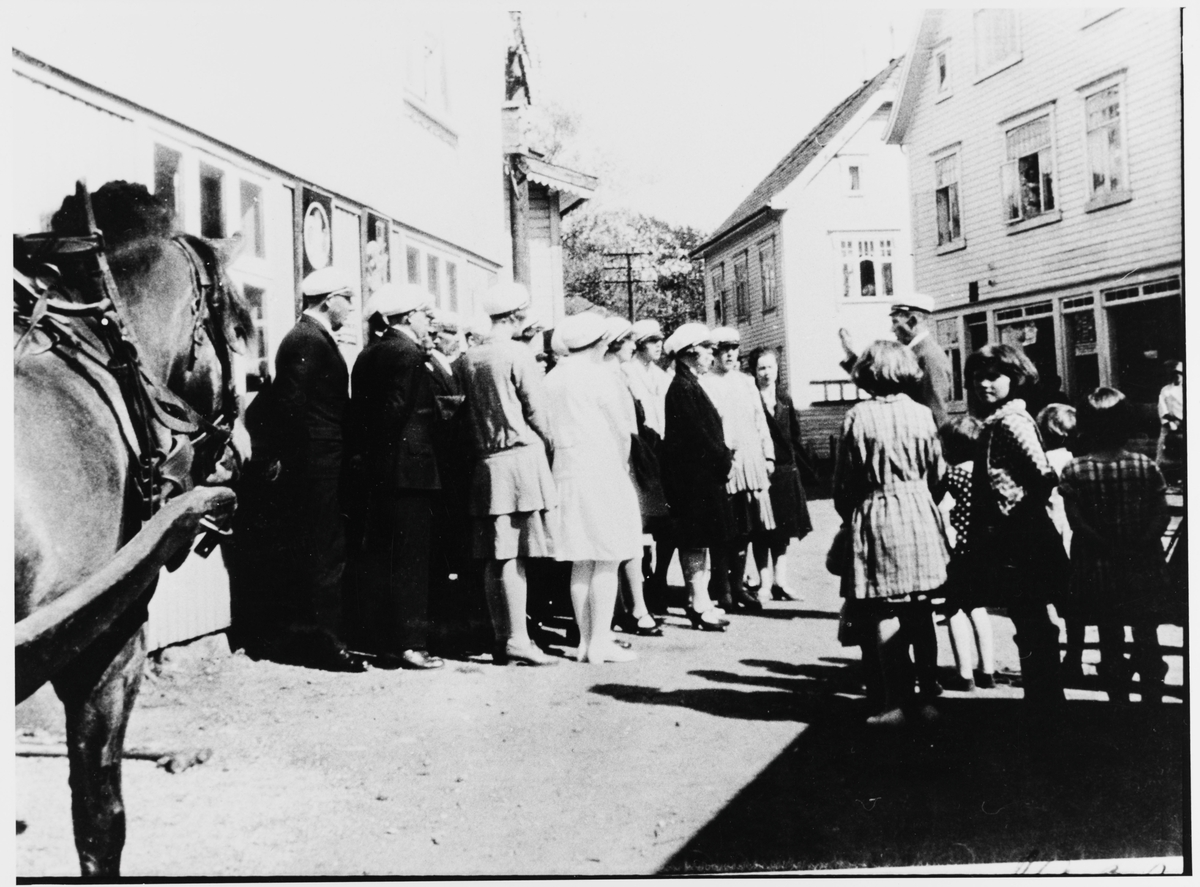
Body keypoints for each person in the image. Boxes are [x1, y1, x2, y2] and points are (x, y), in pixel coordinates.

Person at [833, 340, 951, 726]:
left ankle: (895, 701)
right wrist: (919, 495)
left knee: (884, 611)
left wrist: (852, 511)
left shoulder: (858, 416)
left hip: (877, 513)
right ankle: (929, 694)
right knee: (920, 609)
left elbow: (844, 481)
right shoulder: (922, 414)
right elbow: (938, 474)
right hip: (919, 513)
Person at [265, 266, 364, 671]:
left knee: (322, 551)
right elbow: (290, 406)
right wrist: (295, 460)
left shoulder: (311, 336)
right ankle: (327, 645)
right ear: (328, 300)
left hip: (320, 463)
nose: (352, 307)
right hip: (315, 466)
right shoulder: (307, 338)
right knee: (324, 553)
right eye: (348, 298)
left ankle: (318, 640)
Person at [344, 283, 446, 670]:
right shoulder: (408, 353)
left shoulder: (368, 354)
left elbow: (366, 414)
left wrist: (370, 457)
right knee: (412, 561)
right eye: (423, 313)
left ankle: (386, 642)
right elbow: (395, 410)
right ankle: (410, 644)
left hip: (380, 473)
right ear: (406, 317)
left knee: (383, 558)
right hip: (409, 471)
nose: (427, 320)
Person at [459, 282, 558, 666]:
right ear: (516, 316)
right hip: (520, 459)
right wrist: (549, 444)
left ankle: (503, 636)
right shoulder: (517, 353)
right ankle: (519, 638)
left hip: (487, 463)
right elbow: (538, 412)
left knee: (494, 556)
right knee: (517, 556)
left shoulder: (470, 357)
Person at [964, 343, 1067, 707]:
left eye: (994, 377)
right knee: (1025, 616)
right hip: (1007, 533)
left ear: (1016, 378)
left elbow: (1042, 474)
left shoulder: (1013, 421)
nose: (984, 385)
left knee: (1033, 617)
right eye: (978, 378)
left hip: (1022, 534)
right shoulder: (996, 420)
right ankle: (1039, 694)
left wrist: (1019, 516)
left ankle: (1046, 697)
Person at [544, 314, 645, 663]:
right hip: (601, 469)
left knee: (581, 558)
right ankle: (601, 642)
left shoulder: (553, 378)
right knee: (609, 555)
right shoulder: (602, 375)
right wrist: (621, 465)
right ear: (599, 342)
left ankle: (585, 642)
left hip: (566, 471)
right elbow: (623, 430)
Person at [1059, 388, 1171, 702]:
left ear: (1083, 428)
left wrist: (1107, 547)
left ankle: (1118, 701)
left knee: (1110, 636)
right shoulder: (1145, 466)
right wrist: (1138, 545)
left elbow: (1076, 522)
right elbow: (1160, 515)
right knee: (1146, 632)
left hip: (1098, 567)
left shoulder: (1075, 469)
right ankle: (1153, 698)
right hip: (1141, 565)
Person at [660, 322, 732, 631]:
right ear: (691, 353)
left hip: (702, 481)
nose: (712, 355)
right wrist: (723, 457)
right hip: (693, 483)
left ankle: (701, 600)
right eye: (707, 349)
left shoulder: (691, 385)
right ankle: (697, 602)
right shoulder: (682, 389)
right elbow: (699, 438)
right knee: (694, 542)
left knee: (701, 543)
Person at [700, 327, 775, 613]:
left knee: (746, 529)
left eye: (734, 348)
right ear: (714, 353)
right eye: (723, 349)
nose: (729, 354)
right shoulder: (706, 383)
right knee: (723, 529)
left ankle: (740, 585)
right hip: (724, 465)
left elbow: (760, 421)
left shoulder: (746, 382)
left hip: (751, 460)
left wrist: (768, 456)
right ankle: (722, 587)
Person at [606, 317, 665, 638]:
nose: (633, 345)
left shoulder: (621, 375)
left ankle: (632, 606)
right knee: (622, 538)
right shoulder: (614, 375)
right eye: (629, 340)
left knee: (632, 537)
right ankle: (629, 608)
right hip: (619, 466)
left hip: (636, 462)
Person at [934, 415, 996, 692]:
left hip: (957, 551)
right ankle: (988, 670)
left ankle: (964, 673)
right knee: (979, 609)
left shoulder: (952, 475)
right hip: (982, 549)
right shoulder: (987, 474)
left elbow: (943, 507)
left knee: (955, 609)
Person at [747, 346, 812, 601]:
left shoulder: (784, 398)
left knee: (783, 531)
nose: (766, 373)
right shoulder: (750, 397)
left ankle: (780, 582)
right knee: (762, 530)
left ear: (777, 369)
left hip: (785, 471)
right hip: (761, 470)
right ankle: (764, 582)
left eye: (770, 367)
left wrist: (799, 468)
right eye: (761, 368)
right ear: (754, 370)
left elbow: (795, 436)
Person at [838, 293, 953, 429]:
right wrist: (850, 355)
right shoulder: (913, 352)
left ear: (912, 321)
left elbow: (936, 412)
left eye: (895, 322)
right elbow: (881, 385)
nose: (892, 329)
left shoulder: (929, 357)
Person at [1156, 360, 1184, 483]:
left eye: (1180, 373)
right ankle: (1165, 478)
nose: (1178, 375)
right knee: (1164, 452)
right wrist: (1171, 423)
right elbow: (1162, 408)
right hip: (1169, 426)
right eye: (1175, 373)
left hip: (1185, 426)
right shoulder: (1166, 390)